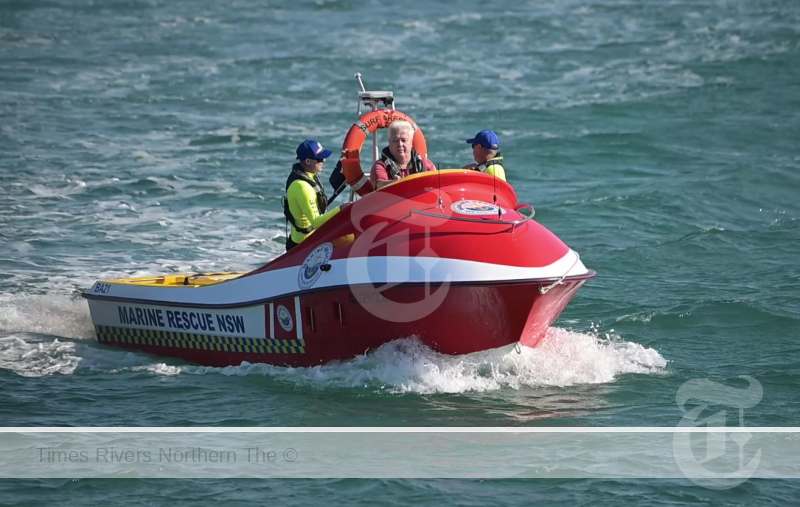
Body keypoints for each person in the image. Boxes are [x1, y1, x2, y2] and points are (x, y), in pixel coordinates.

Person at [283, 140, 343, 252]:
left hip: (308, 240)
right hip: (302, 246)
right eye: (320, 159)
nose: (324, 160)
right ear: (308, 161)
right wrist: (341, 209)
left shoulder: (309, 175)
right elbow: (316, 222)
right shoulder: (302, 186)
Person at [369, 120, 436, 189]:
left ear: (411, 142)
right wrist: (394, 183)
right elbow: (379, 185)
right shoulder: (380, 166)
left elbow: (436, 184)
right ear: (389, 142)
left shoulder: (426, 164)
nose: (400, 144)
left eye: (404, 140)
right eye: (395, 140)